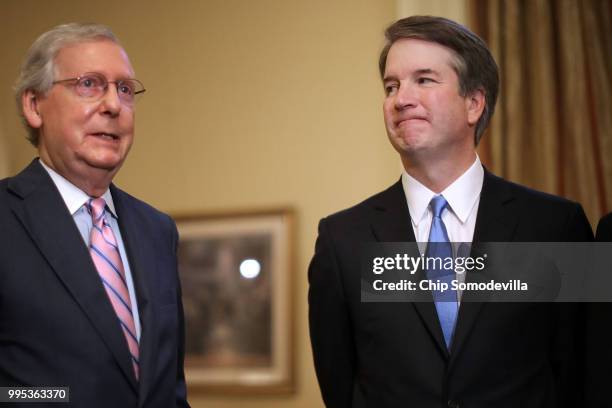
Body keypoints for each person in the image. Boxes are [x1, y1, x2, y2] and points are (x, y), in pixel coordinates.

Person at [308, 16, 593, 407]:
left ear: (474, 103)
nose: (401, 98)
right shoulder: (343, 240)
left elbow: (581, 375)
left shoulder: (555, 226)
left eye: (423, 80)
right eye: (391, 86)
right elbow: (340, 386)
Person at [0, 23, 189, 407]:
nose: (113, 105)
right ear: (34, 105)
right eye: (89, 84)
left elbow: (169, 387)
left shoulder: (157, 230)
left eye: (124, 89)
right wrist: (57, 398)